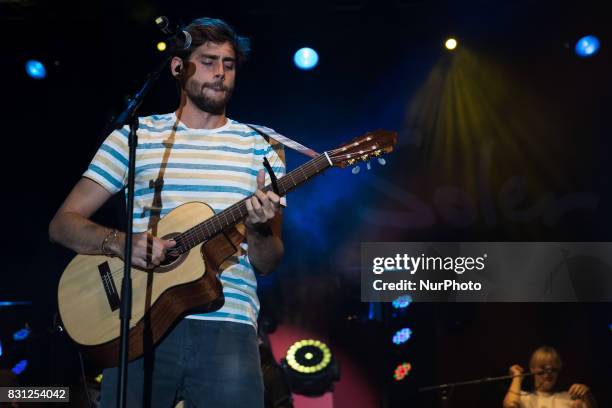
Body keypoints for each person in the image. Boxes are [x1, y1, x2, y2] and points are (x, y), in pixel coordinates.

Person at [49, 17, 286, 408]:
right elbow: (62, 225)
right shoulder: (133, 138)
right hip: (137, 325)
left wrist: (260, 231)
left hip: (228, 326)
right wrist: (121, 243)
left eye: (229, 64)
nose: (221, 73)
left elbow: (269, 260)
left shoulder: (263, 145)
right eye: (208, 61)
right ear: (178, 68)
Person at [503, 346, 598, 408]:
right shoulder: (522, 397)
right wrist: (517, 377)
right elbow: (510, 406)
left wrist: (587, 395)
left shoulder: (568, 397)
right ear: (532, 369)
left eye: (553, 369)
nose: (548, 373)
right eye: (543, 368)